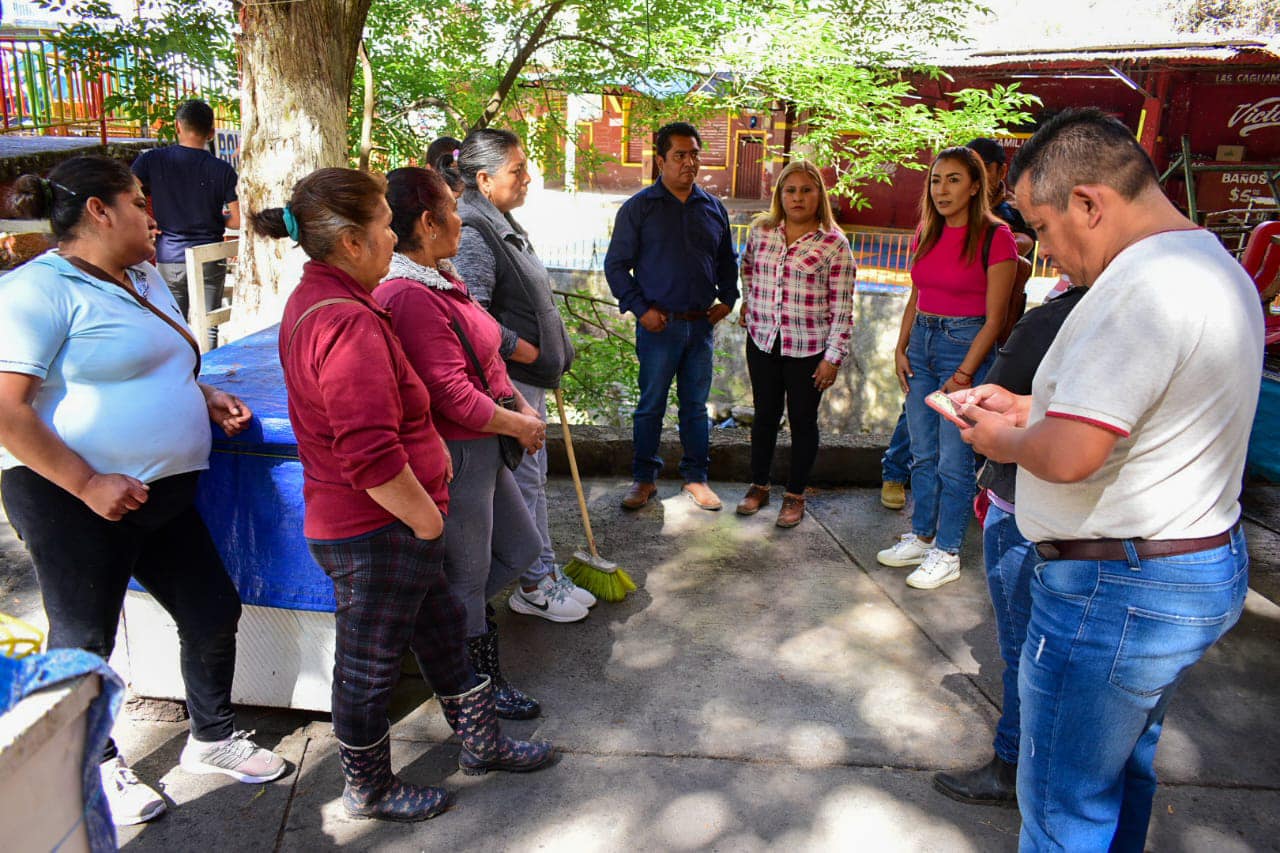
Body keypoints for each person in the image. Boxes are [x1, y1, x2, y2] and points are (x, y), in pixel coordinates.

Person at [957, 108, 1261, 851]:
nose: (1047, 255)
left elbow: (1069, 456)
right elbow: (1147, 409)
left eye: (1044, 228)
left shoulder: (1138, 287)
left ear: (1091, 201)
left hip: (1116, 593)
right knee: (1120, 776)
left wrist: (998, 433)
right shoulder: (1210, 264)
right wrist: (1034, 404)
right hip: (1183, 567)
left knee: (1064, 808)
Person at [260, 167, 553, 823]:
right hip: (375, 526)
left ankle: (482, 743)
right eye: (385, 225)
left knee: (446, 633)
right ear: (353, 242)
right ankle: (368, 787)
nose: (394, 236)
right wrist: (425, 520)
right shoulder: (344, 321)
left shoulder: (337, 299)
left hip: (390, 520)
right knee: (368, 662)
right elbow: (368, 450)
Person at [0, 156, 285, 827]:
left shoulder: (144, 274)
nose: (153, 214)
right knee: (81, 638)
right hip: (71, 495)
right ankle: (89, 767)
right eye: (137, 200)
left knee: (213, 608)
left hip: (158, 490)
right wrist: (87, 481)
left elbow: (160, 360)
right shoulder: (38, 289)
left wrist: (204, 395)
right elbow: (8, 410)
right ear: (98, 210)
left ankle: (211, 737)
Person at [375, 167, 569, 727]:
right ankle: (476, 685)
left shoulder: (444, 275)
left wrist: (518, 403)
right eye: (454, 210)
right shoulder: (409, 295)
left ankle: (443, 634)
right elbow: (451, 393)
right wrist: (515, 423)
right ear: (430, 222)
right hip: (458, 454)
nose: (463, 219)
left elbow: (483, 357)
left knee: (517, 549)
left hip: (484, 449)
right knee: (466, 575)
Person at [932, 277, 1089, 807]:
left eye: (1041, 228)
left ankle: (1012, 764)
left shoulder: (1056, 318)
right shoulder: (1189, 296)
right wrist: (1023, 405)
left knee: (1026, 652)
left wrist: (1001, 432)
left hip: (1029, 511)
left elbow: (1068, 440)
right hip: (1084, 524)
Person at [452, 128, 593, 623]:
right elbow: (470, 311)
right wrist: (525, 348)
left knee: (534, 480)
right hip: (510, 383)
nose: (528, 176)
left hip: (530, 377)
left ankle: (545, 571)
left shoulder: (500, 219)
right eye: (518, 169)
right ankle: (534, 583)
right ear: (485, 179)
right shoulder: (473, 229)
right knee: (527, 482)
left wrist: (556, 349)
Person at [875, 146, 1016, 590]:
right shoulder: (925, 232)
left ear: (976, 185)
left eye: (954, 179)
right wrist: (901, 348)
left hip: (964, 350)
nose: (942, 189)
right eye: (936, 180)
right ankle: (922, 535)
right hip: (922, 346)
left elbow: (995, 319)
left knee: (955, 461)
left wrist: (965, 373)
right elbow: (917, 295)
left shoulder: (998, 237)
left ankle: (948, 550)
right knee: (922, 452)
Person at [604, 121, 739, 511]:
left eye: (694, 154)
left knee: (696, 406)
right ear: (660, 160)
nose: (689, 163)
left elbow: (726, 262)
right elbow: (616, 267)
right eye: (679, 155)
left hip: (701, 326)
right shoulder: (639, 209)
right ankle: (644, 479)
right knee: (651, 405)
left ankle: (696, 477)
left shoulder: (713, 209)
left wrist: (729, 299)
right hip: (658, 326)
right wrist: (640, 309)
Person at [735, 160, 856, 527]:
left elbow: (843, 308)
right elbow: (749, 269)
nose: (798, 197)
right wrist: (749, 302)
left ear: (819, 194)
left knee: (803, 422)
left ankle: (795, 494)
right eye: (790, 190)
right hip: (762, 340)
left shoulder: (835, 245)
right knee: (764, 417)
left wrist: (832, 358)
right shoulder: (762, 231)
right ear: (779, 195)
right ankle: (759, 486)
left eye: (806, 190)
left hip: (808, 350)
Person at [130, 99, 239, 346]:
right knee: (210, 326)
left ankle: (183, 376)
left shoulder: (152, 160)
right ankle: (209, 374)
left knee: (174, 322)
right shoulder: (223, 170)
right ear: (211, 132)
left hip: (170, 256)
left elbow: (126, 188)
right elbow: (236, 220)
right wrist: (214, 215)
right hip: (210, 256)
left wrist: (144, 215)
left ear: (177, 126)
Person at [965, 138, 1037, 258]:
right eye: (972, 168)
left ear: (1002, 171)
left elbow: (1022, 244)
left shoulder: (1016, 209)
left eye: (985, 168)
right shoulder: (954, 204)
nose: (978, 175)